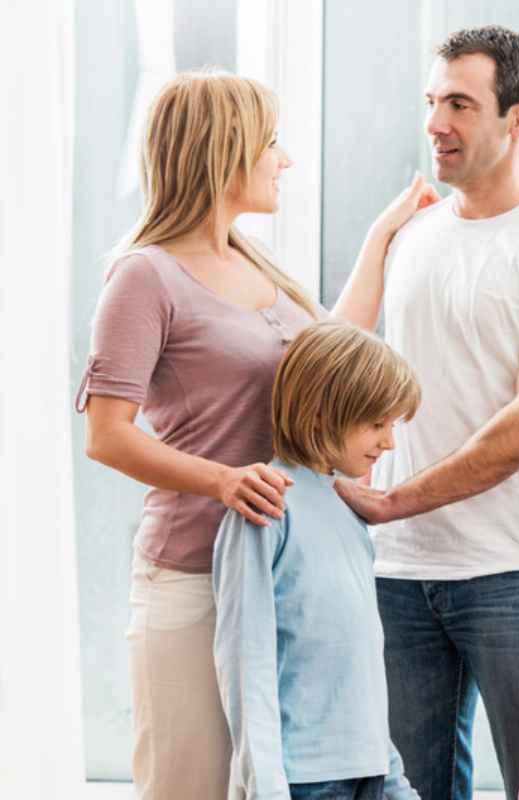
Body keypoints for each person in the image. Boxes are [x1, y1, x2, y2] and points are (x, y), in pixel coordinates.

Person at [77, 71, 435, 799]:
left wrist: (383, 235)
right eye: (271, 142)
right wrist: (222, 480)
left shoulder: (256, 263)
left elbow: (333, 354)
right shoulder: (144, 276)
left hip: (283, 574)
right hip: (191, 575)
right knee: (194, 786)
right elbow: (107, 436)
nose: (285, 160)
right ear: (225, 149)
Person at [333, 26, 519, 800]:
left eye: (460, 103)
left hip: (515, 574)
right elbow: (339, 369)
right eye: (432, 102)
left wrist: (393, 500)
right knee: (404, 789)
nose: (435, 123)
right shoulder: (414, 239)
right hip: (396, 570)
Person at [211, 322, 420, 800]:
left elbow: (356, 663)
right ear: (324, 412)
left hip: (369, 770)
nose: (389, 442)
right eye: (377, 424)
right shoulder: (266, 507)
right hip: (304, 779)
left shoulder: (347, 510)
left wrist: (389, 772)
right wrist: (265, 786)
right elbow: (245, 663)